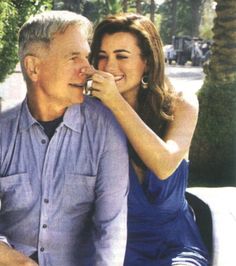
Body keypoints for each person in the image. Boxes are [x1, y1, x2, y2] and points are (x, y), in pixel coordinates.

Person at [0, 11, 129, 266]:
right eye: (74, 58)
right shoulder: (3, 131)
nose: (88, 69)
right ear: (34, 67)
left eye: (87, 56)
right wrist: (18, 261)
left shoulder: (106, 129)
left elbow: (111, 231)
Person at [85, 13, 209, 265]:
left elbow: (163, 165)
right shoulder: (89, 114)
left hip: (175, 245)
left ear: (148, 62)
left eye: (121, 56)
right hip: (115, 247)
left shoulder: (181, 103)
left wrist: (115, 101)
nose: (109, 67)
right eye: (102, 56)